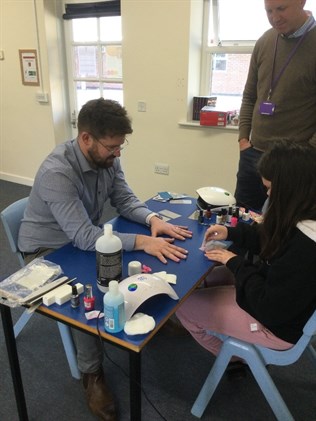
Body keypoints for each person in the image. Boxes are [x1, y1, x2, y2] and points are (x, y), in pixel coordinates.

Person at [18, 98, 192, 421]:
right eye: (112, 147)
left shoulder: (107, 160)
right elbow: (85, 237)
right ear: (86, 139)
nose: (118, 153)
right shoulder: (58, 171)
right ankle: (92, 374)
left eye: (120, 146)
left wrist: (153, 220)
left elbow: (124, 200)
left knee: (125, 260)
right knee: (87, 289)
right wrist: (143, 241)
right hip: (45, 253)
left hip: (81, 239)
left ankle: (143, 311)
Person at [177, 140, 316, 378]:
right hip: (279, 298)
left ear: (290, 189)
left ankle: (235, 359)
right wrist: (231, 233)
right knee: (209, 277)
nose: (268, 195)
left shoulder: (306, 246)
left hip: (277, 326)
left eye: (271, 188)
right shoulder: (304, 215)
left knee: (184, 306)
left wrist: (235, 262)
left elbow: (268, 306)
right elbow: (270, 238)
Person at [235, 0, 316, 211]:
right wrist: (244, 139)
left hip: (293, 161)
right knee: (243, 218)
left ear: (301, 2)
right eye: (268, 10)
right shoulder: (265, 40)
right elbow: (249, 95)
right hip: (253, 153)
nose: (274, 17)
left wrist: (307, 152)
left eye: (281, 8)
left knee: (282, 227)